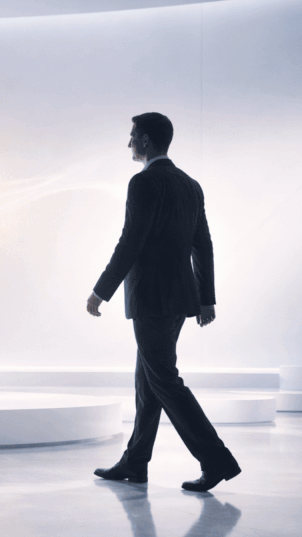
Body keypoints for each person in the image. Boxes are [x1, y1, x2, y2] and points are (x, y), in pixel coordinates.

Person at [88, 112, 240, 492]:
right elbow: (202, 244)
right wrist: (205, 299)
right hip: (180, 299)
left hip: (152, 298)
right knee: (149, 380)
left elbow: (131, 241)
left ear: (146, 141)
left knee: (165, 382)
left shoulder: (142, 183)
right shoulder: (190, 185)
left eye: (132, 136)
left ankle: (216, 460)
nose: (128, 143)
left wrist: (100, 290)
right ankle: (135, 462)